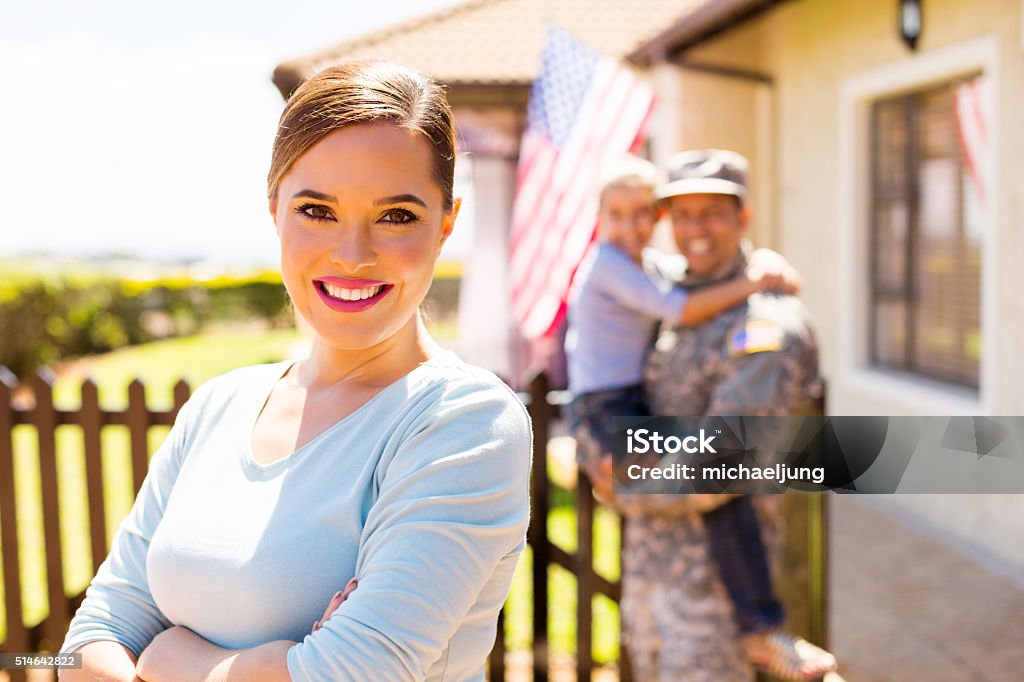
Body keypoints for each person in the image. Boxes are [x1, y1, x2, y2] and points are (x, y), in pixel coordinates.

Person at [59, 59, 532, 682]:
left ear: (446, 223)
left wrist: (176, 659)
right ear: (274, 208)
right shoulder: (219, 405)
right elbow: (86, 642)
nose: (354, 253)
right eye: (317, 209)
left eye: (397, 215)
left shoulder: (464, 422)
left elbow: (357, 673)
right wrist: (266, 666)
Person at [584, 150, 837, 681]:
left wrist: (617, 481)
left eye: (713, 212)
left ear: (743, 217)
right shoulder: (675, 296)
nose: (695, 228)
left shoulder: (766, 325)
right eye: (682, 214)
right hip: (651, 581)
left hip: (717, 601)